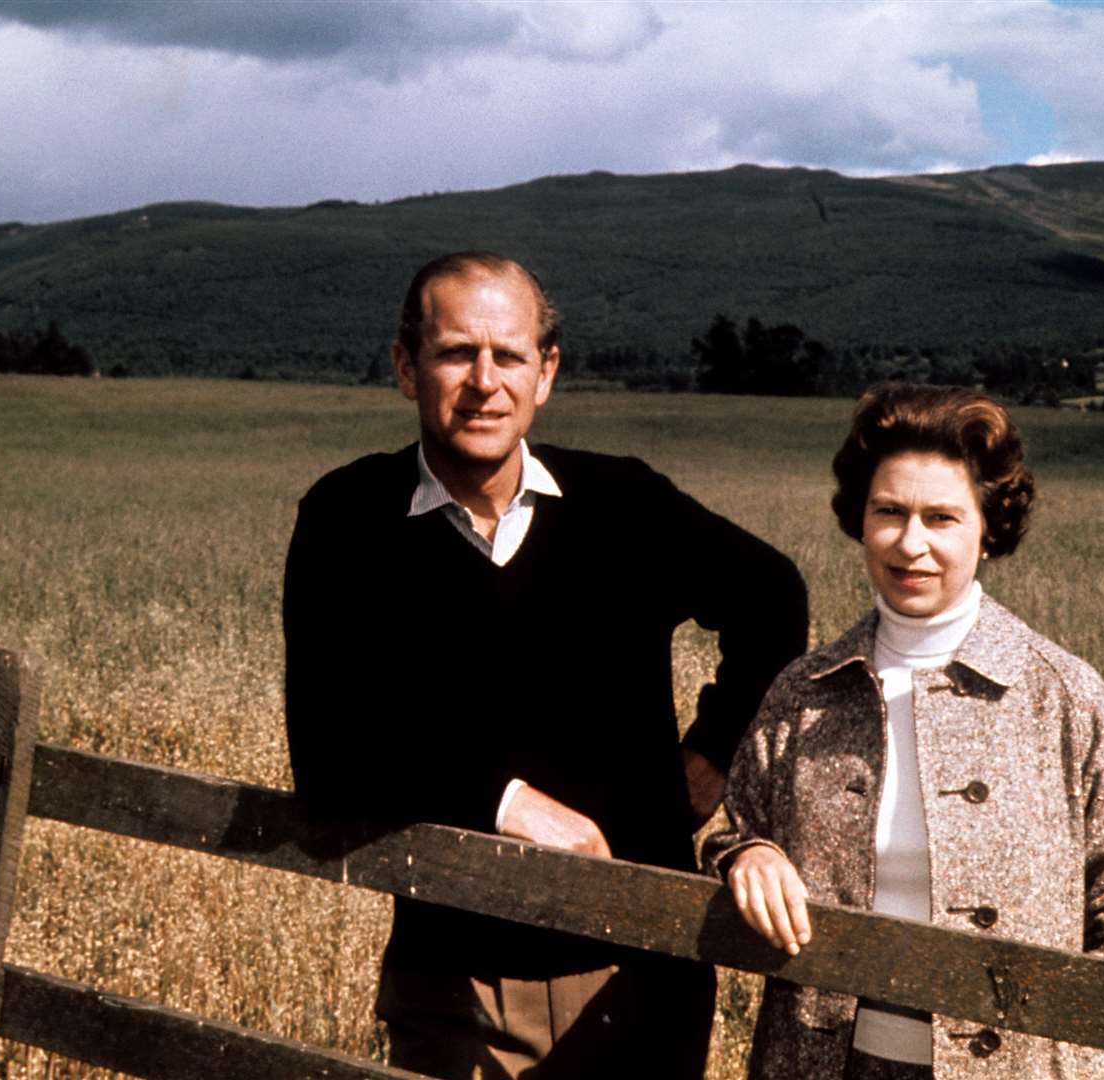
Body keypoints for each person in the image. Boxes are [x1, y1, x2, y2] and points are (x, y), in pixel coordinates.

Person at [283, 251, 809, 1078]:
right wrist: (506, 802)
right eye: (456, 352)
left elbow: (774, 596)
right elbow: (329, 753)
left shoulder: (623, 504)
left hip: (645, 959)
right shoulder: (350, 520)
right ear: (404, 365)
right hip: (461, 973)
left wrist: (713, 752)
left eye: (510, 355)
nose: (483, 381)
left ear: (547, 372)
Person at [703, 384, 1104, 1080]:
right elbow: (732, 833)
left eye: (942, 518)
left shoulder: (1064, 696)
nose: (911, 543)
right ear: (859, 520)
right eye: (889, 512)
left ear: (988, 530)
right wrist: (749, 854)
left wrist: (1095, 1066)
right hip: (825, 1063)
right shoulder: (802, 694)